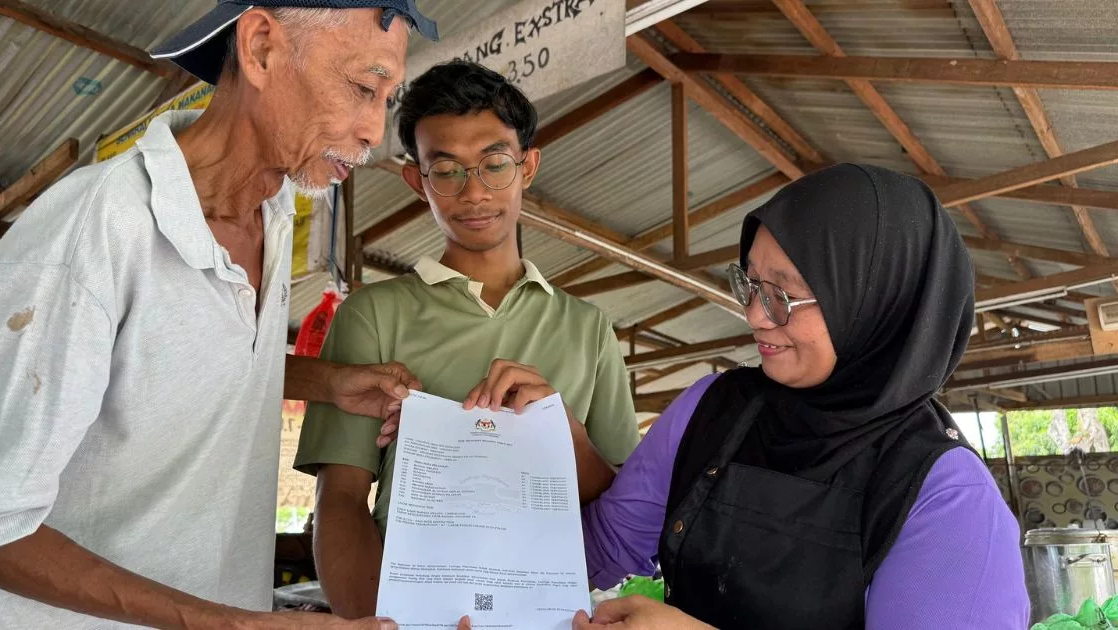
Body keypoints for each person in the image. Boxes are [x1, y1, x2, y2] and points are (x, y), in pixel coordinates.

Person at [0, 2, 438, 629]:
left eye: (386, 99)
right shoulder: (97, 231)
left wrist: (324, 383)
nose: (373, 131)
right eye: (362, 88)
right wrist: (230, 623)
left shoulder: (271, 215)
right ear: (261, 48)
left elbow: (177, 359)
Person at [566, 163, 1029, 629]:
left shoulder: (946, 496)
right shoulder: (711, 410)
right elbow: (603, 552)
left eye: (782, 296)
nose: (755, 315)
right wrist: (542, 444)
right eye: (749, 284)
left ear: (874, 305)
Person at [294, 59, 640, 619]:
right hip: (411, 612)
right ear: (417, 180)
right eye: (446, 169)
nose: (474, 192)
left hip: (551, 616)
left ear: (528, 166)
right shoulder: (372, 317)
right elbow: (341, 501)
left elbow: (623, 507)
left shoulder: (588, 328)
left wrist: (563, 432)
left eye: (494, 164)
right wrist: (381, 623)